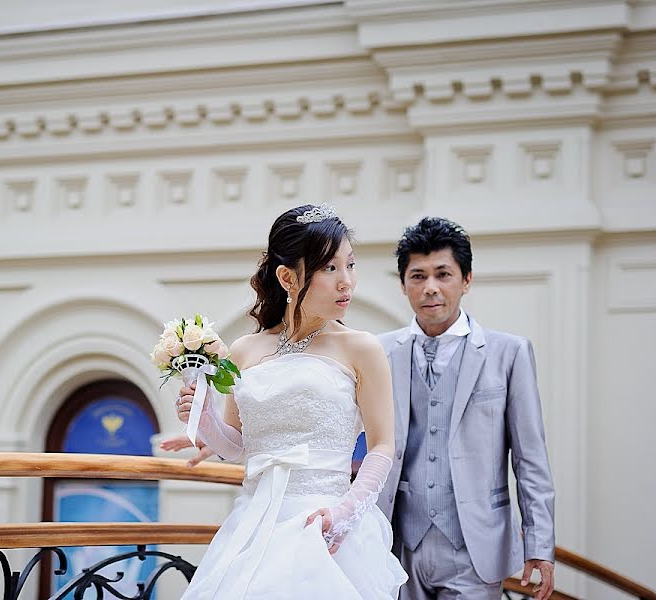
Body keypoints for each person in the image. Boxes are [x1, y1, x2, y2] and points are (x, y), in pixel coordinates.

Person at [170, 204, 407, 599]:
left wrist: (345, 514)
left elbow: (383, 445)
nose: (346, 282)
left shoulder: (362, 348)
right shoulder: (244, 350)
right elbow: (238, 447)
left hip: (322, 524)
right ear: (287, 277)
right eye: (330, 269)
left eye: (350, 265)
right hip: (254, 522)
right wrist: (205, 418)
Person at [379, 217, 556, 600]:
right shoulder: (379, 352)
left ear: (467, 279)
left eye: (443, 274)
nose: (430, 288)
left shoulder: (509, 353)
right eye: (418, 276)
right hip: (396, 546)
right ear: (403, 284)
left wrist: (540, 546)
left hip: (475, 547)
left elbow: (531, 460)